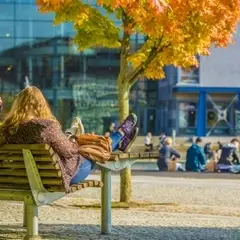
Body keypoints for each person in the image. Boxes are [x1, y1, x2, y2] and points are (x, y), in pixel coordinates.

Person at [0, 86, 139, 192]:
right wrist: (72, 141)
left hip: (21, 179)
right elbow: (69, 152)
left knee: (86, 146)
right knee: (91, 151)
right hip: (57, 178)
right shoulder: (46, 126)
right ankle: (120, 134)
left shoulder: (6, 129)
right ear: (40, 104)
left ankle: (119, 138)